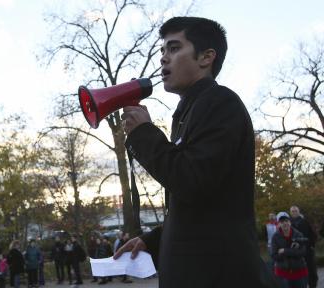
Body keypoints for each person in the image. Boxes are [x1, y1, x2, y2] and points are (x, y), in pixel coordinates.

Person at [116, 16, 277, 288]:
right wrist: (153, 239)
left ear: (206, 57)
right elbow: (203, 206)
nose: (163, 58)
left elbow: (191, 180)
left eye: (174, 48)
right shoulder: (189, 112)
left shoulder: (220, 103)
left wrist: (143, 133)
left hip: (220, 277)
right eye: (162, 51)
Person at [271, 212, 308, 288]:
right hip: (282, 273)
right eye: (282, 222)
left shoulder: (298, 234)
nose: (285, 223)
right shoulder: (275, 237)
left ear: (290, 222)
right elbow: (274, 255)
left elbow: (303, 252)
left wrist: (285, 251)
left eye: (286, 221)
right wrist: (294, 252)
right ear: (278, 224)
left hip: (299, 271)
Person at [289, 205, 318, 288]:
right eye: (292, 211)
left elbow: (313, 235)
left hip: (307, 250)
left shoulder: (305, 221)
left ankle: (313, 285)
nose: (294, 212)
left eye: (295, 211)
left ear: (299, 211)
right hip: (295, 252)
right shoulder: (288, 224)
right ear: (290, 213)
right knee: (297, 272)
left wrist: (312, 246)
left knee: (311, 270)